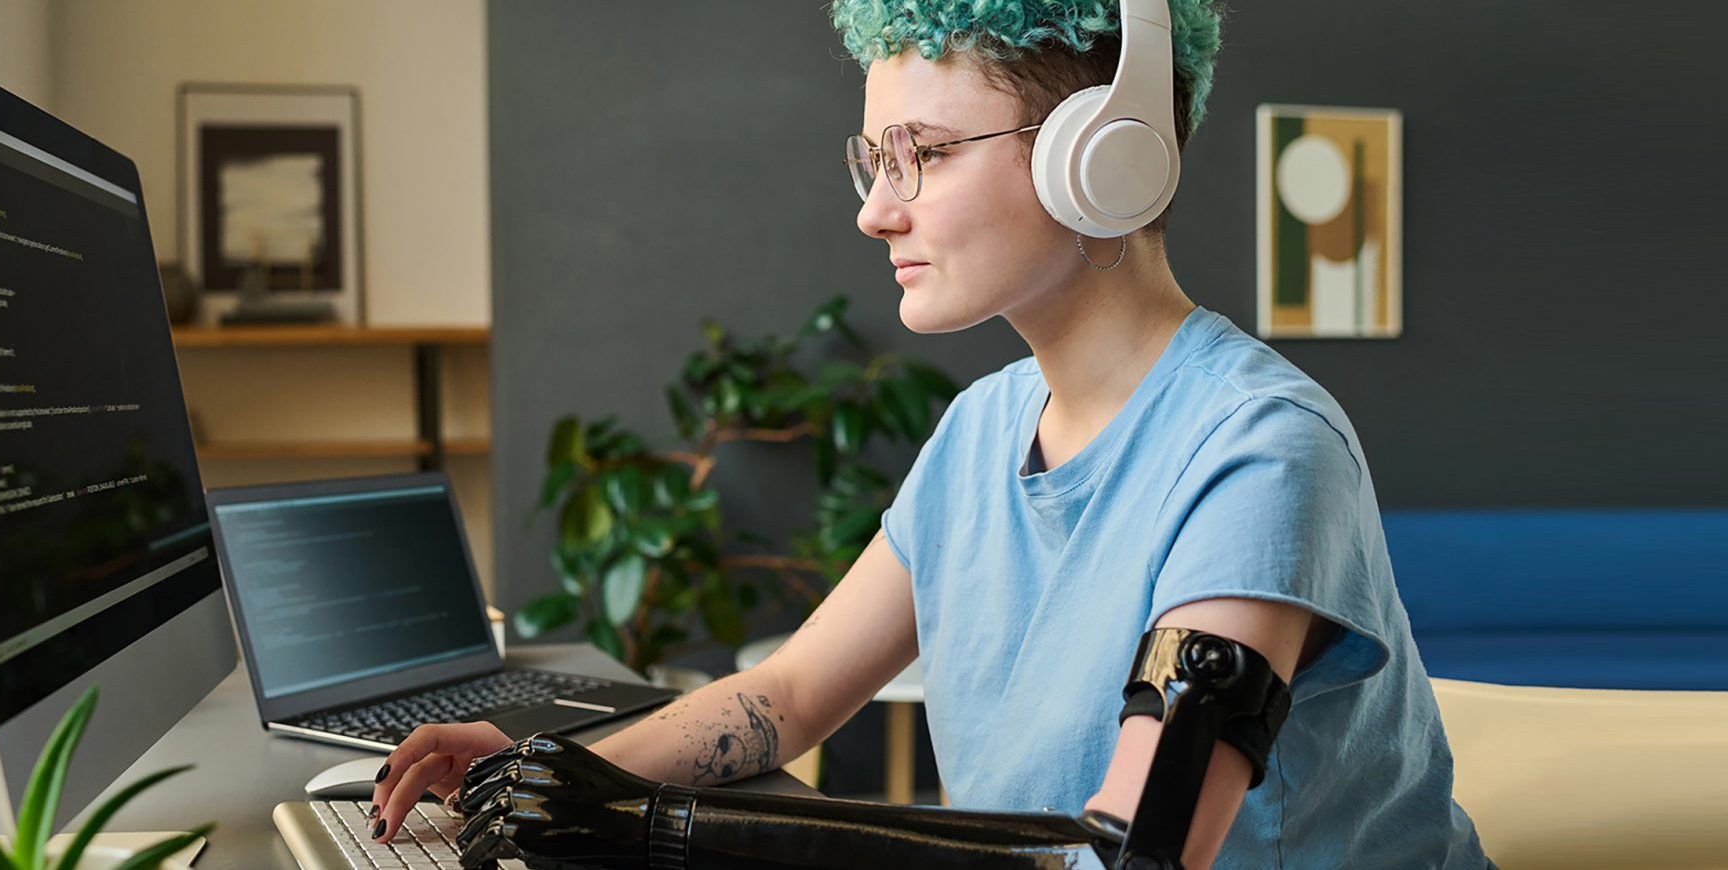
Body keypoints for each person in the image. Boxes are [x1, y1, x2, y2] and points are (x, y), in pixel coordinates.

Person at [372, 1, 1488, 866]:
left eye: (924, 153)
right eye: (872, 160)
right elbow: (789, 696)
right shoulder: (978, 431)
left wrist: (668, 835)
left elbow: (1129, 852)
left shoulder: (1260, 449)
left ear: (1102, 157)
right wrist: (554, 768)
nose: (874, 209)